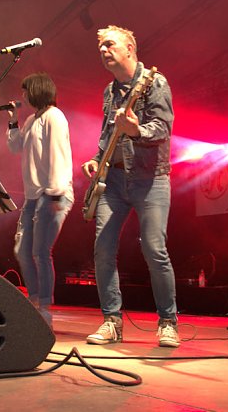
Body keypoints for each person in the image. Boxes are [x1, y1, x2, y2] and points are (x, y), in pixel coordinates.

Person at [81, 25, 179, 348]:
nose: (103, 51)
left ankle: (168, 321)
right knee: (103, 249)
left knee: (154, 249)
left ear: (130, 49)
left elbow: (162, 129)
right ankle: (112, 321)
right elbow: (107, 136)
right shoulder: (109, 92)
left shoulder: (155, 82)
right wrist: (96, 159)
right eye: (100, 48)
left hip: (151, 179)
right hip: (114, 180)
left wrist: (137, 131)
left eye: (109, 45)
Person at [6, 73, 74, 327]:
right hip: (34, 197)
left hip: (52, 193)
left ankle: (44, 307)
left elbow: (58, 155)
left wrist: (55, 193)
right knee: (22, 251)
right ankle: (34, 301)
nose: (22, 96)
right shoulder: (33, 120)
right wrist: (13, 120)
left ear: (36, 90)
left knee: (40, 252)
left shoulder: (54, 117)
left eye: (26, 91)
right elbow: (15, 147)